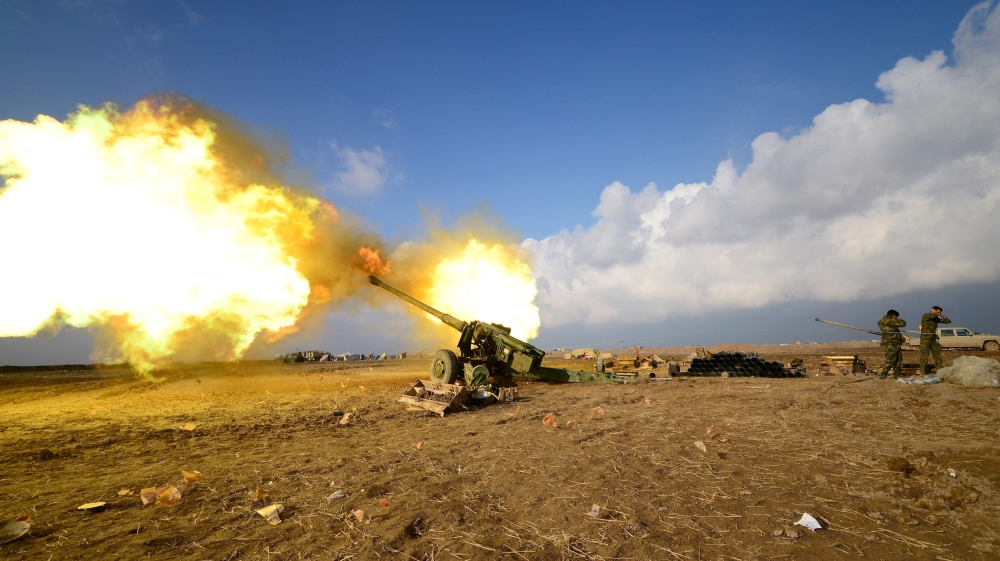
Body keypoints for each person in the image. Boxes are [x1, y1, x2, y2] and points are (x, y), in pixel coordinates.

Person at [919, 306, 951, 374]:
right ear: (933, 310)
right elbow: (932, 316)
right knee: (924, 356)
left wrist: (942, 315)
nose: (938, 313)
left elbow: (948, 321)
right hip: (925, 338)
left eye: (939, 312)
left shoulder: (936, 318)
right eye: (937, 312)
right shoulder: (926, 315)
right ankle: (922, 371)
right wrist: (938, 313)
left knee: (937, 355)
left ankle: (940, 370)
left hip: (933, 339)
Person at [878, 309, 906, 379]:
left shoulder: (884, 320)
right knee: (892, 359)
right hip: (891, 343)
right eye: (896, 317)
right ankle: (884, 373)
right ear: (893, 316)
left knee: (898, 360)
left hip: (895, 343)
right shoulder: (889, 320)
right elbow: (903, 324)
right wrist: (900, 320)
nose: (897, 318)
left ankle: (897, 375)